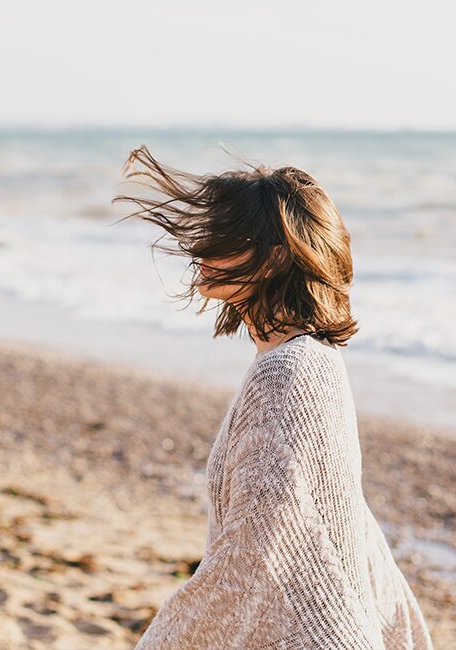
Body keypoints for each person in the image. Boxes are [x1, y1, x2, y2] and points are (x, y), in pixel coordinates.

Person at [111, 145, 434, 649]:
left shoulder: (287, 373)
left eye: (224, 235)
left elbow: (255, 549)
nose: (202, 248)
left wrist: (162, 640)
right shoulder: (315, 361)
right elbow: (342, 519)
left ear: (275, 256)